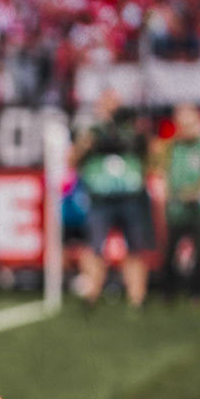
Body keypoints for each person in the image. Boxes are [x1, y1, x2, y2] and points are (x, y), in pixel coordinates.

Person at [71, 89, 154, 308]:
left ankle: (137, 297)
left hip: (131, 197)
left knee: (135, 248)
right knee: (94, 246)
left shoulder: (132, 130)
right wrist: (85, 145)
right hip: (100, 198)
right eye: (105, 104)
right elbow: (72, 160)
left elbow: (151, 157)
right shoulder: (91, 132)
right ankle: (92, 293)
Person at [161, 104, 200, 300]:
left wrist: (198, 189)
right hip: (177, 206)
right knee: (171, 249)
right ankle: (168, 290)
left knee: (199, 250)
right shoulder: (174, 145)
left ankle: (197, 291)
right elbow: (164, 169)